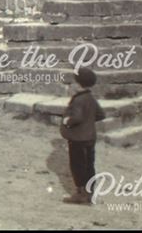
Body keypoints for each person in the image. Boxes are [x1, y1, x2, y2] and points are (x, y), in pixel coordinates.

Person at [59, 67, 105, 205]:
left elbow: (77, 117)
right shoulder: (91, 98)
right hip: (90, 137)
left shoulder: (78, 100)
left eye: (74, 82)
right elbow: (101, 114)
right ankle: (90, 193)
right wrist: (88, 121)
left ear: (78, 84)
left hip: (78, 138)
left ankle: (81, 194)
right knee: (89, 165)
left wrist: (68, 121)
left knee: (77, 165)